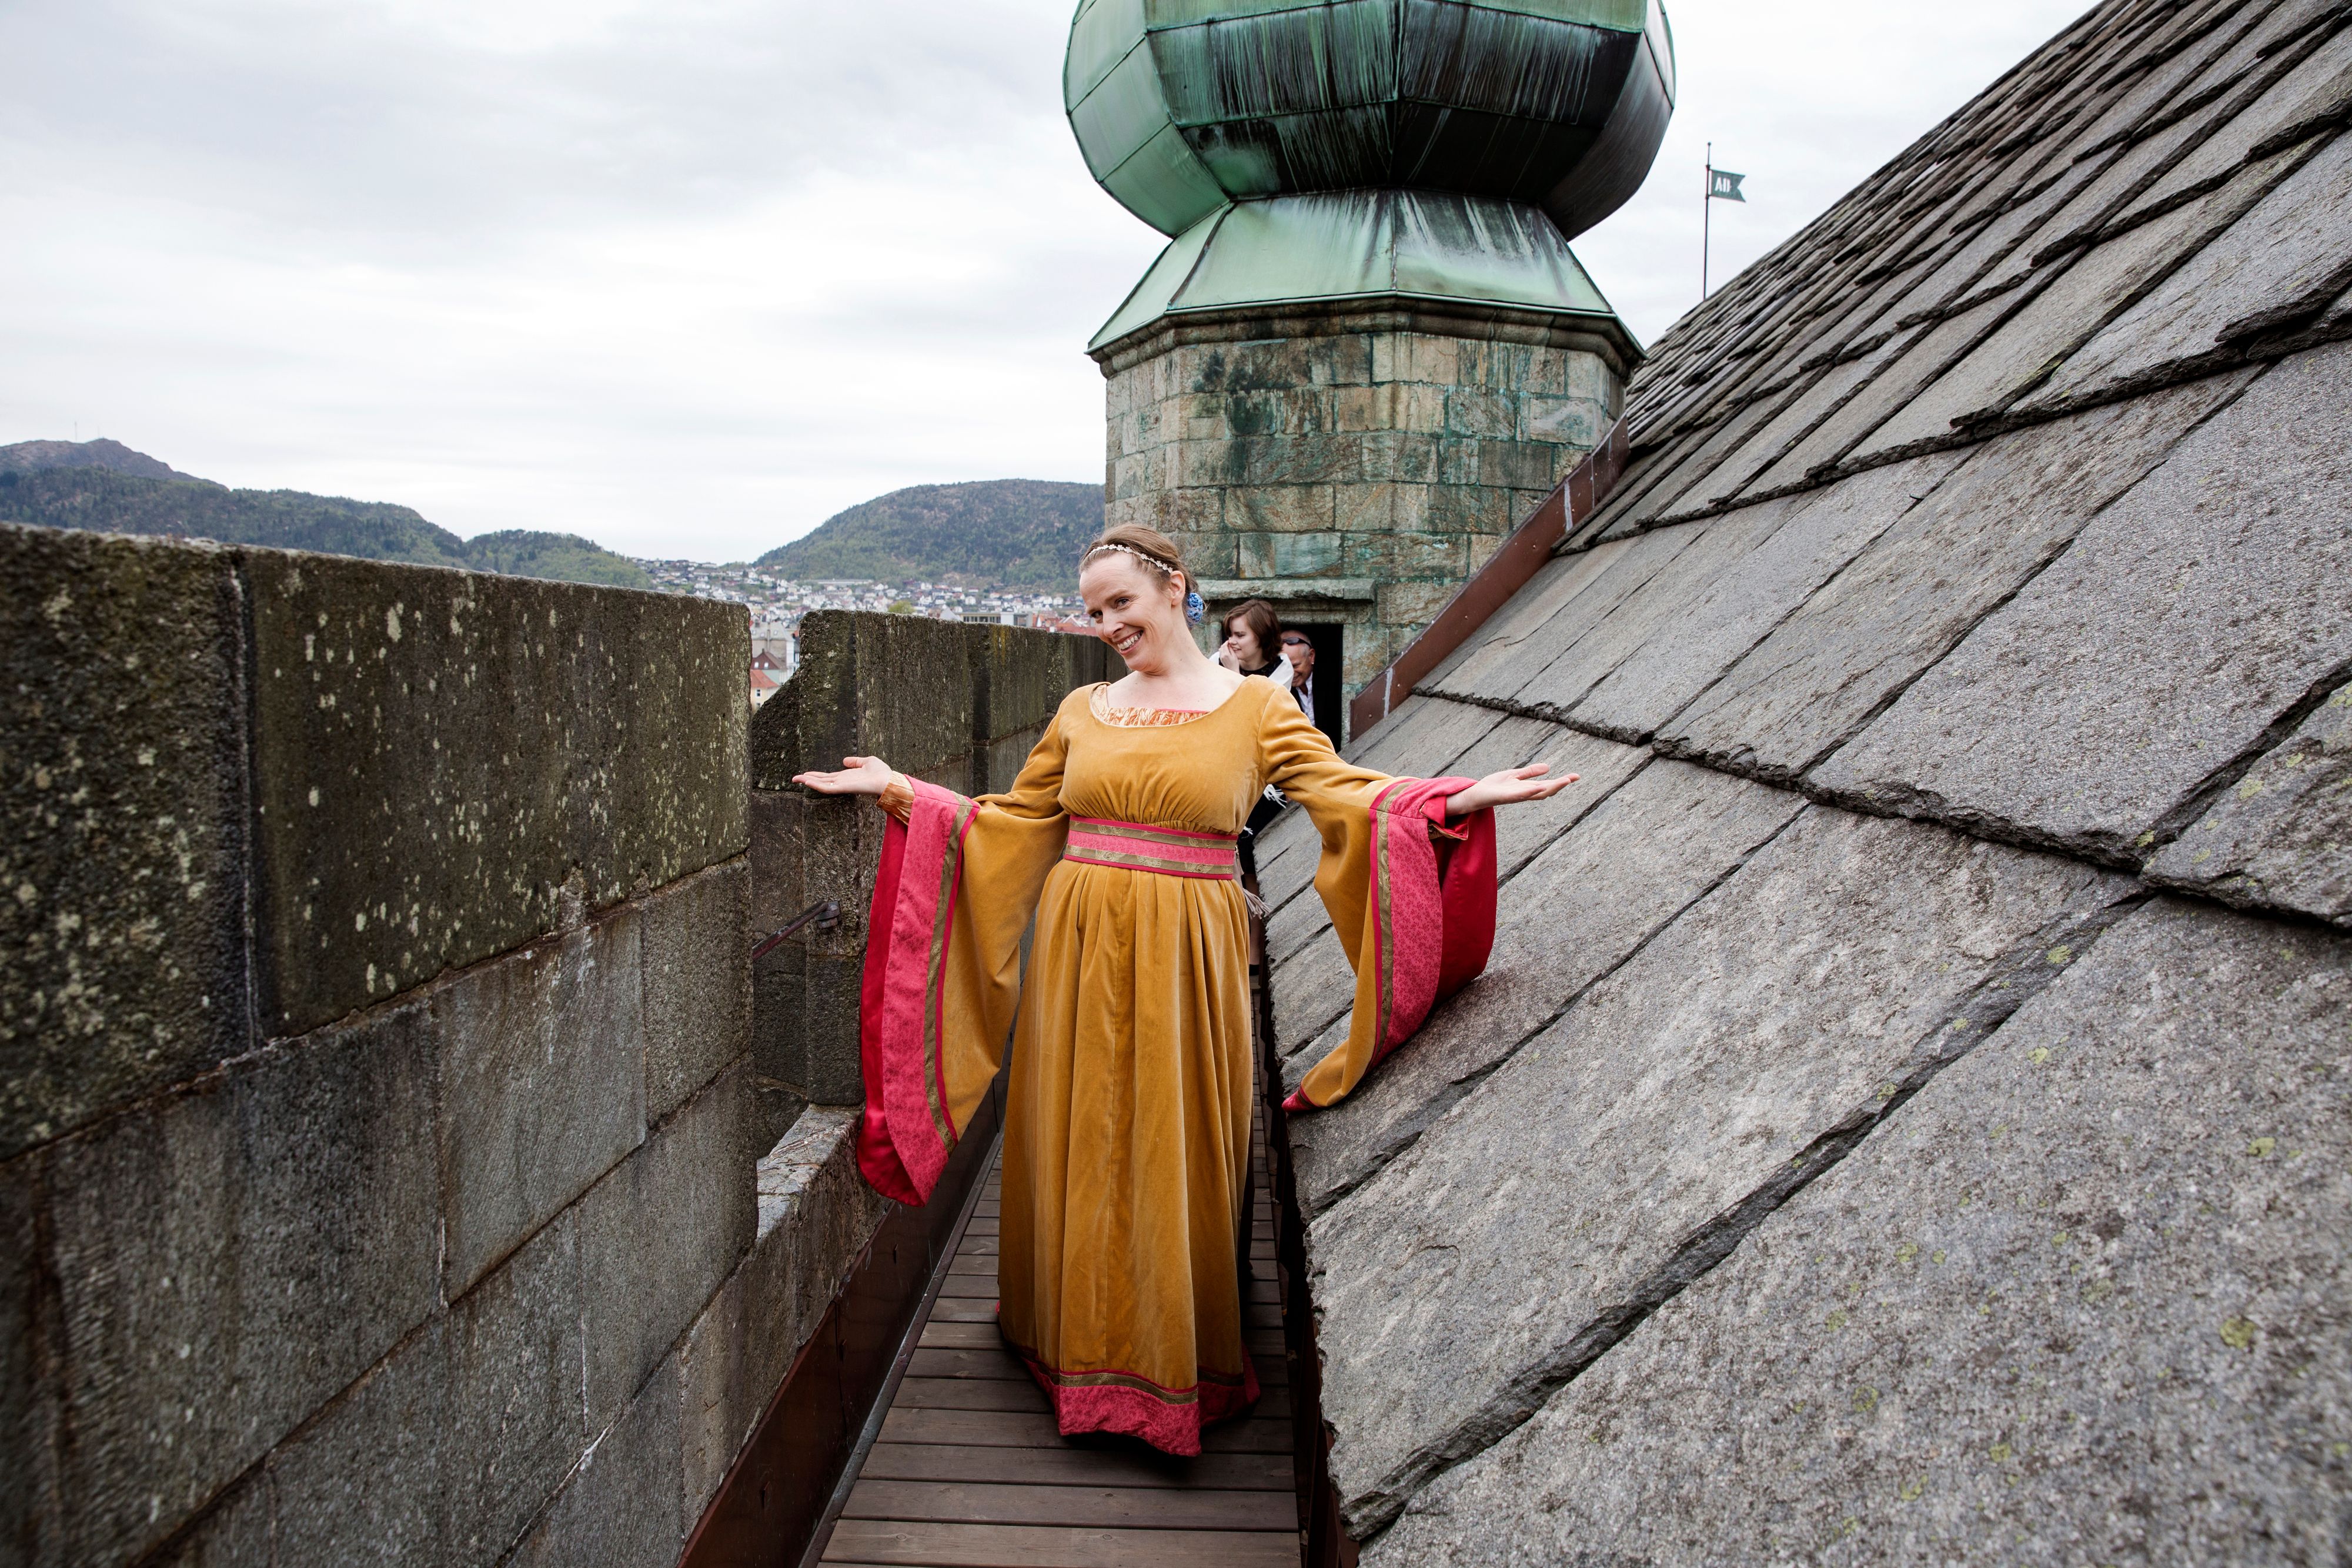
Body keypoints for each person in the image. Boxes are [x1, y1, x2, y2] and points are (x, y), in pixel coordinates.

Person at [791, 523, 1575, 1456]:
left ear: (1176, 589)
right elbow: (1013, 823)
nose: (1108, 624)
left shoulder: (1254, 708)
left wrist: (1451, 799)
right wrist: (904, 793)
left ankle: (1171, 1367)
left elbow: (1344, 791)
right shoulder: (1082, 708)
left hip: (1189, 953)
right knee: (1081, 1129)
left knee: (1175, 1134)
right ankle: (1069, 1339)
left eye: (1121, 601)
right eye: (1092, 612)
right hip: (1078, 951)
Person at [1215, 599, 1292, 884]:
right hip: (1227, 767)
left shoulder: (1281, 669)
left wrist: (1233, 674)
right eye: (1230, 635)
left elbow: (1254, 717)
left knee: (1248, 843)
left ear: (1261, 636)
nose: (1231, 642)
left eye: (1240, 635)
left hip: (1265, 776)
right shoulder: (1216, 664)